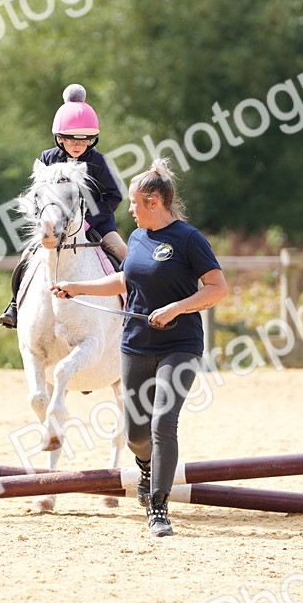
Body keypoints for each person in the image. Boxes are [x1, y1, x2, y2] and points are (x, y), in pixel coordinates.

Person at [50, 159, 227, 537]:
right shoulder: (136, 239)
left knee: (164, 421)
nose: (128, 209)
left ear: (152, 202)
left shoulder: (189, 239)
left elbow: (217, 289)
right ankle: (146, 470)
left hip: (180, 344)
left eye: (133, 203)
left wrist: (176, 308)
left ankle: (159, 506)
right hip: (136, 344)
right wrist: (77, 287)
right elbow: (125, 280)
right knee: (135, 434)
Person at [0, 83, 126, 329]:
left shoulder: (99, 162)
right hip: (55, 224)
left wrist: (89, 222)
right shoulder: (48, 159)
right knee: (26, 258)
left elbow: (114, 196)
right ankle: (14, 305)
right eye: (70, 139)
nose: (77, 145)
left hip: (96, 224)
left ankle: (139, 303)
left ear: (92, 139)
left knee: (125, 255)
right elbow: (39, 195)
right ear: (59, 138)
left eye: (84, 139)